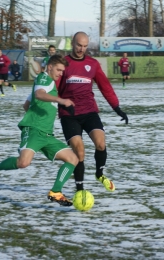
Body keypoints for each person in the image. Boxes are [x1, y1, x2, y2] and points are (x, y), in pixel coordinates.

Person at [0, 54, 78, 206]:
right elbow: (39, 94)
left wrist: (46, 113)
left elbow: (27, 104)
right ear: (49, 67)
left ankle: (56, 192)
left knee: (73, 159)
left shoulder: (46, 83)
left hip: (46, 133)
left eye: (62, 71)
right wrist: (60, 101)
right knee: (23, 163)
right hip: (34, 131)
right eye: (58, 70)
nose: (60, 73)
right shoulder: (44, 78)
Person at [57, 31, 128, 193]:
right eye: (78, 45)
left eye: (85, 46)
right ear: (72, 44)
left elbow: (105, 87)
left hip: (89, 111)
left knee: (101, 144)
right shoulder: (64, 63)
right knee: (80, 152)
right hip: (69, 115)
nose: (81, 49)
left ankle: (99, 173)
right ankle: (80, 190)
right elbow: (53, 89)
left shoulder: (93, 64)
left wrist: (117, 108)